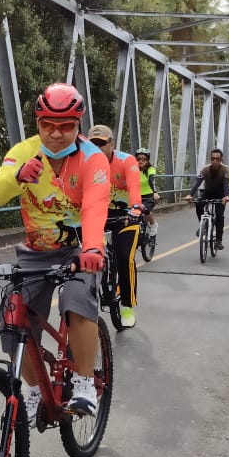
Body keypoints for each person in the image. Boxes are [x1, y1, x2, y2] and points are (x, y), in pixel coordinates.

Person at [0, 83, 110, 423]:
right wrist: (16, 177)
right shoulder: (23, 152)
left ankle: (84, 383)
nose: (56, 134)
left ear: (78, 124)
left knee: (76, 300)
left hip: (79, 249)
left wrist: (93, 247)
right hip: (35, 251)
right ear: (38, 123)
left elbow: (95, 207)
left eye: (66, 126)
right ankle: (33, 390)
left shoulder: (93, 159)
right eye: (48, 125)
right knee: (13, 320)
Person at [87, 124, 142, 328]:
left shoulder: (127, 161)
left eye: (101, 143)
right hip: (98, 215)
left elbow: (134, 188)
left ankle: (127, 305)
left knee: (125, 258)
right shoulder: (85, 162)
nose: (97, 148)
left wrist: (135, 208)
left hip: (126, 215)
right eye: (92, 144)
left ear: (112, 144)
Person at [184, 148, 229, 250]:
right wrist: (190, 195)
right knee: (198, 204)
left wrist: (226, 196)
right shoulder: (205, 169)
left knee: (219, 215)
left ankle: (218, 241)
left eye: (217, 159)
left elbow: (226, 184)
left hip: (221, 194)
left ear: (221, 159)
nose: (215, 161)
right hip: (208, 192)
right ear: (210, 159)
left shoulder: (225, 169)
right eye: (213, 158)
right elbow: (197, 183)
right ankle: (203, 226)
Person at [134, 147, 162, 235]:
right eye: (138, 159)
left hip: (149, 196)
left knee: (145, 210)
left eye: (144, 159)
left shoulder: (150, 169)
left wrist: (155, 192)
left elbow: (151, 180)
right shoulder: (133, 169)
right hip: (136, 196)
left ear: (147, 160)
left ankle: (153, 224)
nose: (141, 161)